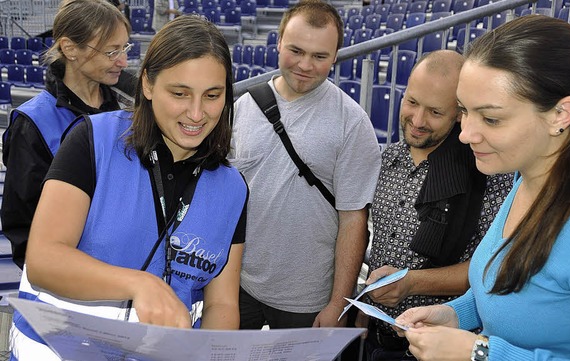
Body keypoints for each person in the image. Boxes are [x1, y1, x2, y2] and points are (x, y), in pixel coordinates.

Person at [396, 15, 570, 361]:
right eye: (464, 111)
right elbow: (517, 295)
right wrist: (457, 314)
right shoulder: (528, 172)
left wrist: (481, 353)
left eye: (491, 118)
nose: (465, 134)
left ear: (560, 114)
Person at [10, 15, 248, 361]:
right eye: (180, 93)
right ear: (148, 85)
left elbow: (222, 303)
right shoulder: (93, 139)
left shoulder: (233, 188)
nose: (197, 114)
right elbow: (43, 259)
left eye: (212, 95)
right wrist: (140, 283)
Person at [230, 0, 381, 329]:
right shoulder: (244, 107)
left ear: (336, 56)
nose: (305, 65)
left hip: (308, 299)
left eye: (319, 56)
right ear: (279, 41)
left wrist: (338, 304)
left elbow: (354, 221)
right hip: (238, 286)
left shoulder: (352, 123)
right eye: (296, 50)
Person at [360, 50, 513, 360]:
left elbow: (490, 268)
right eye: (412, 102)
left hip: (443, 347)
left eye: (434, 112)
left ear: (459, 113)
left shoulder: (488, 177)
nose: (418, 120)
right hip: (379, 337)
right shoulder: (386, 160)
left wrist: (411, 283)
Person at [1, 0, 137, 270]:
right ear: (70, 49)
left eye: (125, 48)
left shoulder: (127, 111)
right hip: (66, 281)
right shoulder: (33, 123)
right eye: (112, 52)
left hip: (125, 273)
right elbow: (24, 228)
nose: (123, 61)